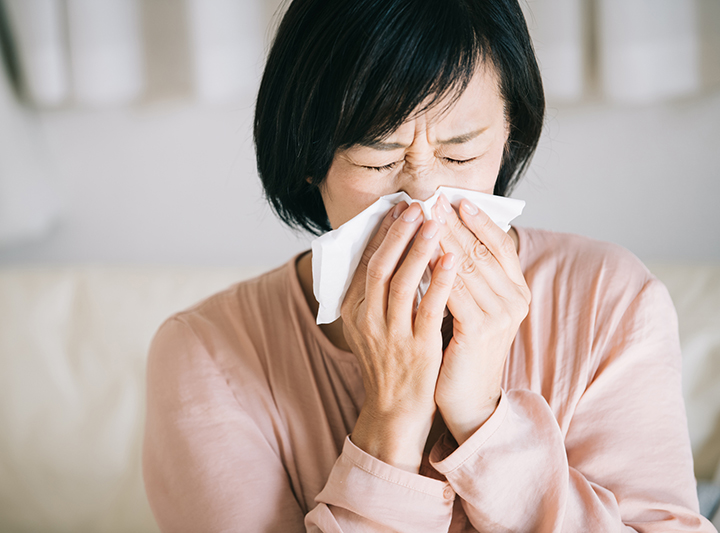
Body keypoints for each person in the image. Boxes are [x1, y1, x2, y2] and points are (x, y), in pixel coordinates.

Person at [142, 0, 715, 531]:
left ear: (510, 134)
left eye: (459, 152)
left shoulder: (609, 299)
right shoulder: (208, 353)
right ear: (308, 158)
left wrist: (486, 421)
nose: (423, 196)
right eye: (378, 156)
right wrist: (391, 421)